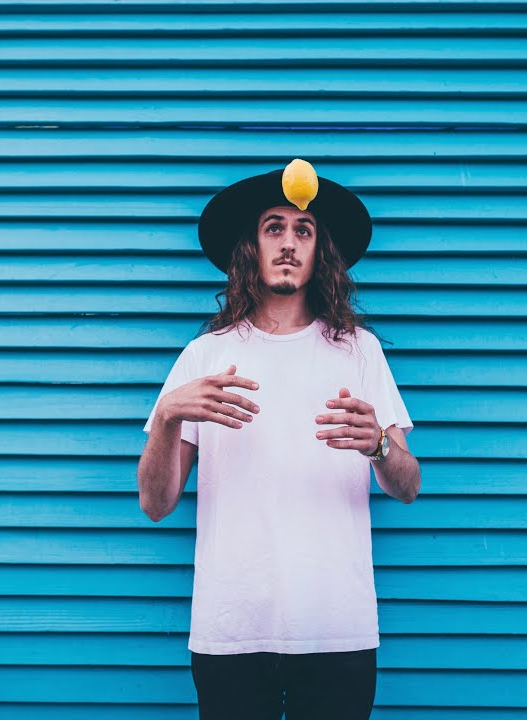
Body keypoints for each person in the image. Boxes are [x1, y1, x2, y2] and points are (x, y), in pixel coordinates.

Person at [138, 162, 422, 720]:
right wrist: (167, 416)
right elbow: (155, 503)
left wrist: (379, 447)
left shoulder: (359, 351)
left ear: (320, 252)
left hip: (337, 629)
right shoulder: (205, 355)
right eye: (274, 227)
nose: (288, 243)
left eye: (303, 230)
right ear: (251, 247)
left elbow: (407, 486)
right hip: (231, 630)